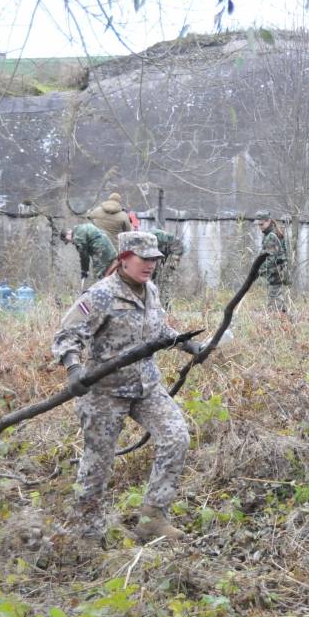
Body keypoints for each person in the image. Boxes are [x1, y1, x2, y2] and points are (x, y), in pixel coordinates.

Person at [51, 231, 205, 548]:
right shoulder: (100, 295)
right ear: (123, 259)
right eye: (144, 258)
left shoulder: (151, 291)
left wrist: (191, 345)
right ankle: (87, 534)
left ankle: (152, 519)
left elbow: (160, 330)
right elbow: (67, 334)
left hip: (146, 384)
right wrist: (73, 368)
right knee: (98, 463)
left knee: (176, 436)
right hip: (105, 391)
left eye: (155, 259)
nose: (150, 265)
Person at [60, 223, 117, 287]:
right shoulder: (79, 228)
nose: (70, 242)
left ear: (67, 234)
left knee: (99, 273)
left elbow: (84, 256)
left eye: (67, 240)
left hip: (99, 248)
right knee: (111, 267)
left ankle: (105, 290)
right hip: (108, 245)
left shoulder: (77, 237)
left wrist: (84, 270)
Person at [256, 211, 289, 313]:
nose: (260, 227)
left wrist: (259, 270)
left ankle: (277, 321)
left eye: (262, 224)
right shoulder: (273, 233)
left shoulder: (271, 236)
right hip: (278, 271)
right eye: (259, 224)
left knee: (272, 301)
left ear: (269, 221)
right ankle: (284, 320)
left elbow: (271, 258)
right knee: (277, 297)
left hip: (275, 272)